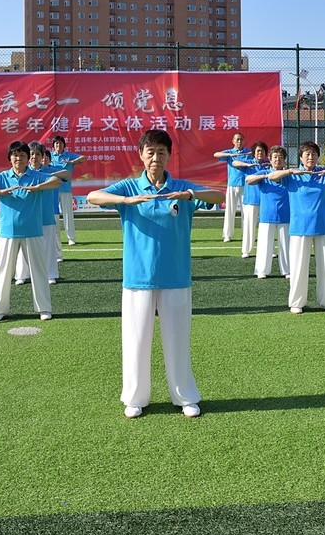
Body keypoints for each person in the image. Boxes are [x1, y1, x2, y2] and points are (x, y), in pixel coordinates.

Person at [87, 129, 223, 419]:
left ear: (169, 156)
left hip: (175, 276)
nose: (155, 157)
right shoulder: (130, 187)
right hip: (138, 278)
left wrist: (189, 195)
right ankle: (136, 398)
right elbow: (92, 195)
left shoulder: (182, 188)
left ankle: (184, 396)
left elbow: (218, 195)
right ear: (141, 155)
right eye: (150, 152)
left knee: (178, 339)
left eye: (161, 152)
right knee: (136, 339)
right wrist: (124, 201)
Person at [0, 141, 65, 322]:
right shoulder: (3, 177)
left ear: (27, 158)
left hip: (33, 231)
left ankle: (44, 308)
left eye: (23, 155)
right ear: (10, 158)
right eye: (15, 155)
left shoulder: (36, 176)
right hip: (8, 233)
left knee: (39, 271)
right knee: (3, 272)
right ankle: (0, 309)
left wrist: (38, 188)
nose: (19, 158)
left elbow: (56, 181)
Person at [266, 140, 325, 314]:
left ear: (318, 157)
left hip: (324, 226)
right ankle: (296, 302)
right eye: (307, 154)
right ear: (301, 157)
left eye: (313, 154)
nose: (310, 157)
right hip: (299, 228)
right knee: (298, 267)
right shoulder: (293, 175)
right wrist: (289, 170)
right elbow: (271, 177)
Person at [14, 142, 70, 286]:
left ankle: (50, 274)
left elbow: (66, 174)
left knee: (48, 247)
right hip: (28, 216)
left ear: (43, 156)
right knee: (24, 247)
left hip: (46, 215)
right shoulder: (24, 172)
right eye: (31, 154)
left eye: (38, 154)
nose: (34, 157)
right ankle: (22, 274)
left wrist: (45, 175)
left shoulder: (48, 171)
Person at [245, 145, 291, 280]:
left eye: (281, 157)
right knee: (264, 245)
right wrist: (267, 175)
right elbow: (248, 180)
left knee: (286, 245)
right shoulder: (263, 173)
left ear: (284, 161)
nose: (278, 160)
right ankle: (262, 270)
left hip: (285, 215)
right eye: (275, 157)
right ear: (270, 159)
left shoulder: (288, 175)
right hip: (266, 216)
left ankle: (287, 270)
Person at [232, 142, 270, 258]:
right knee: (249, 226)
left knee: (267, 227)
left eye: (262, 151)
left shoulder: (268, 165)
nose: (260, 153)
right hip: (251, 200)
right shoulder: (249, 163)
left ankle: (269, 250)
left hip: (266, 200)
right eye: (258, 151)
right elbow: (234, 163)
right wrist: (247, 165)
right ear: (253, 153)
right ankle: (246, 250)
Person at [213, 132, 253, 243]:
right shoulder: (229, 152)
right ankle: (227, 235)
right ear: (233, 141)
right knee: (230, 210)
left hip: (246, 185)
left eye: (241, 139)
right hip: (232, 184)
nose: (239, 142)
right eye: (237, 140)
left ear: (244, 141)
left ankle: (246, 234)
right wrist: (230, 155)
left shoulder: (248, 152)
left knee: (246, 211)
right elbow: (216, 154)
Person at [50, 136, 86, 247]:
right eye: (56, 144)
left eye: (60, 144)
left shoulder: (68, 155)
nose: (58, 146)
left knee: (67, 214)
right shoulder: (49, 156)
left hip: (65, 189)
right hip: (52, 189)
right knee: (53, 215)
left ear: (64, 146)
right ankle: (53, 238)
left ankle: (71, 238)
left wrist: (71, 161)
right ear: (53, 146)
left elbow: (84, 158)